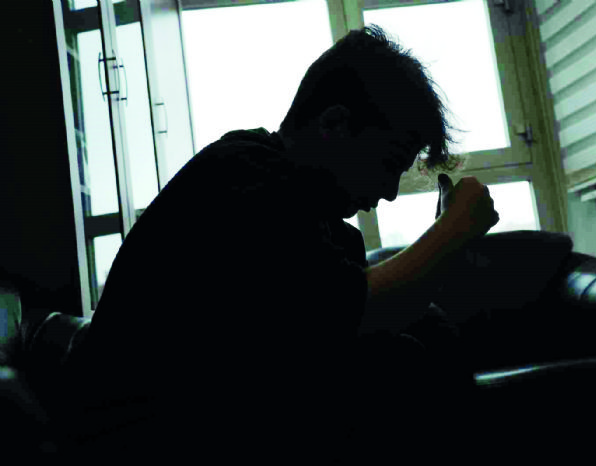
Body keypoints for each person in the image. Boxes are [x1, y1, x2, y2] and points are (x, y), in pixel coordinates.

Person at [54, 24, 499, 462]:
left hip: (193, 424)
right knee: (397, 365)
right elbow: (355, 314)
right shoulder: (244, 178)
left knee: (421, 336)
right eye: (388, 163)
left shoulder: (311, 215)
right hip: (138, 440)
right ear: (334, 124)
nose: (389, 192)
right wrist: (453, 230)